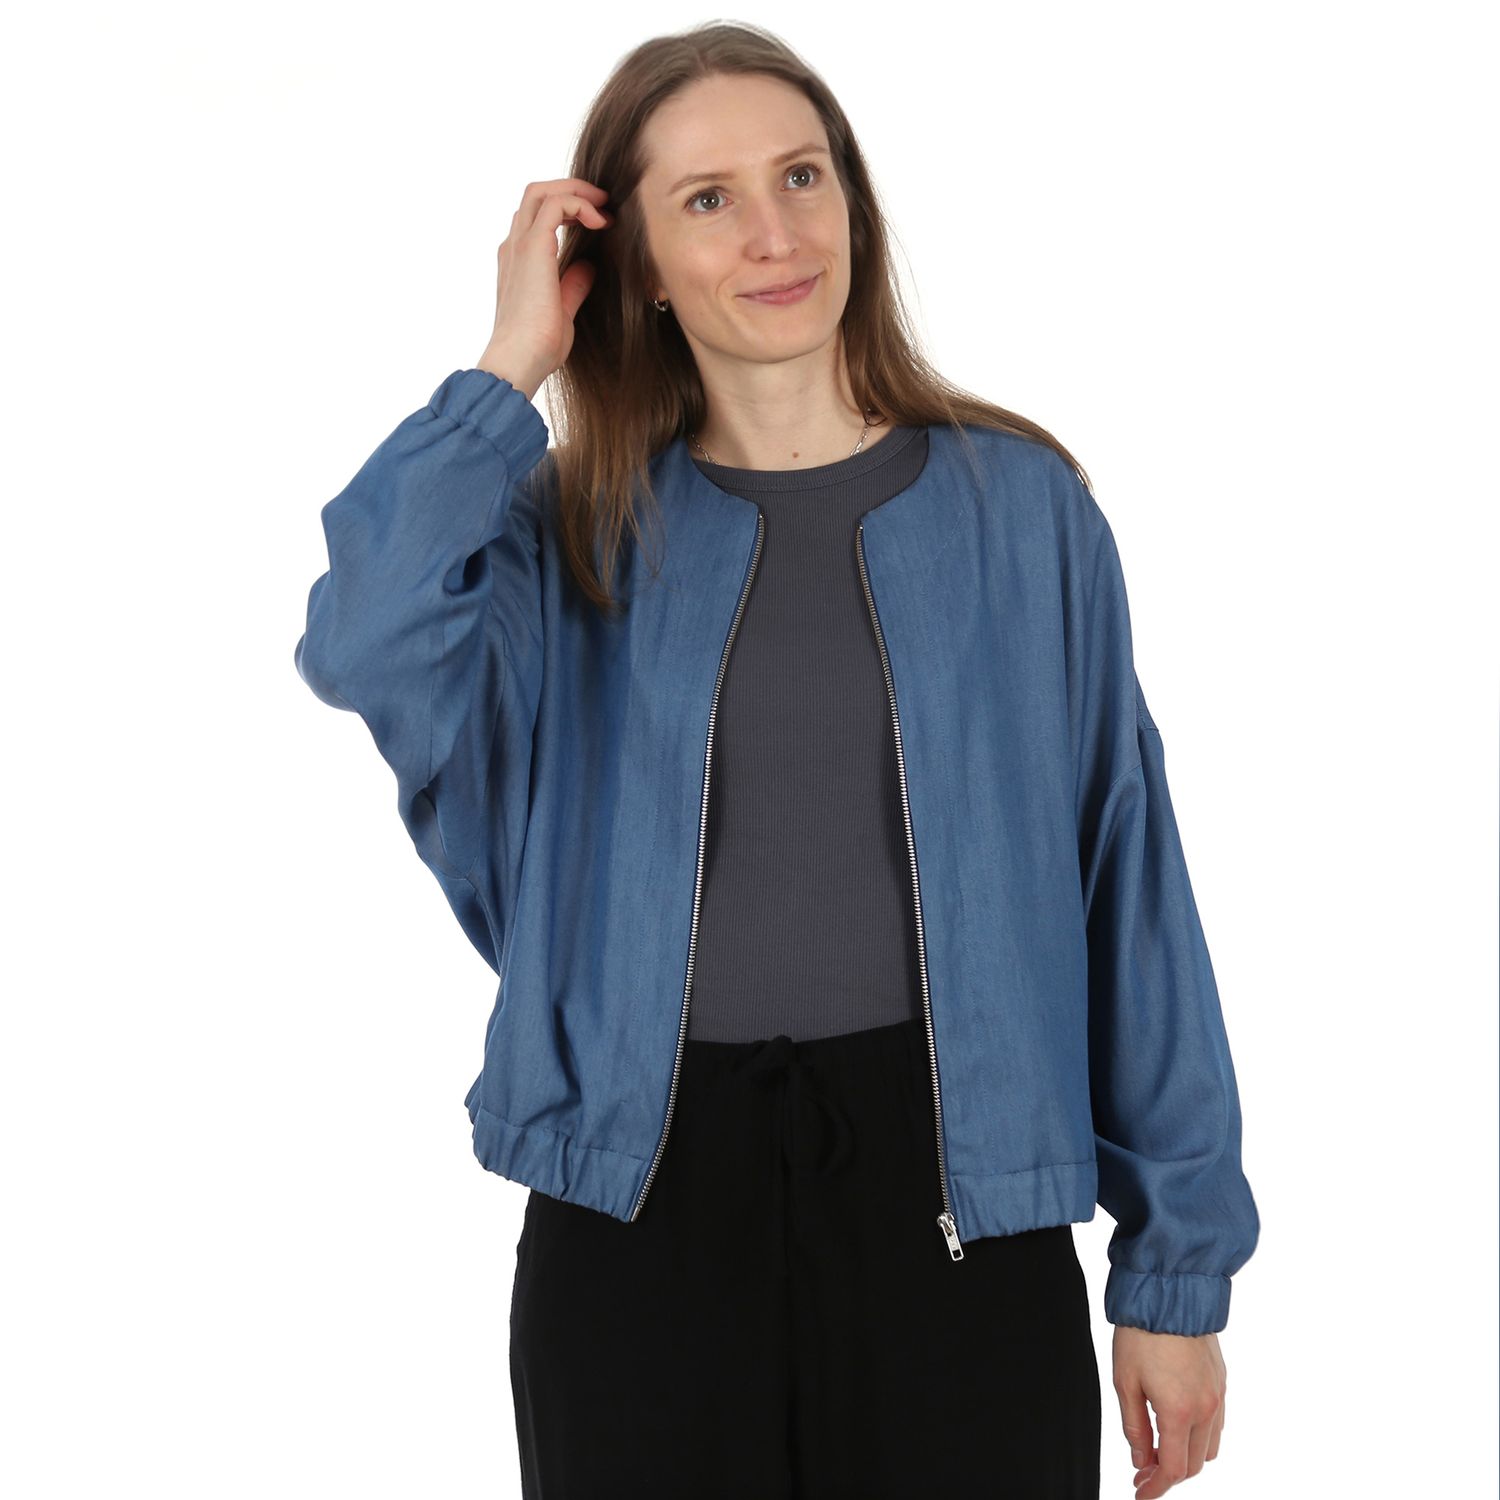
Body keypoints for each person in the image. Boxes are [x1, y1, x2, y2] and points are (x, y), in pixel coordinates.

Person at [293, 21, 1259, 1500]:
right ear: (634, 264)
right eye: (708, 199)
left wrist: (1174, 1272)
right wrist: (508, 366)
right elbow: (362, 638)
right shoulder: (561, 538)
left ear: (852, 198)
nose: (775, 234)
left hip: (965, 1205)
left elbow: (1127, 880)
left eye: (802, 176)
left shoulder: (1022, 512)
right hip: (636, 1214)